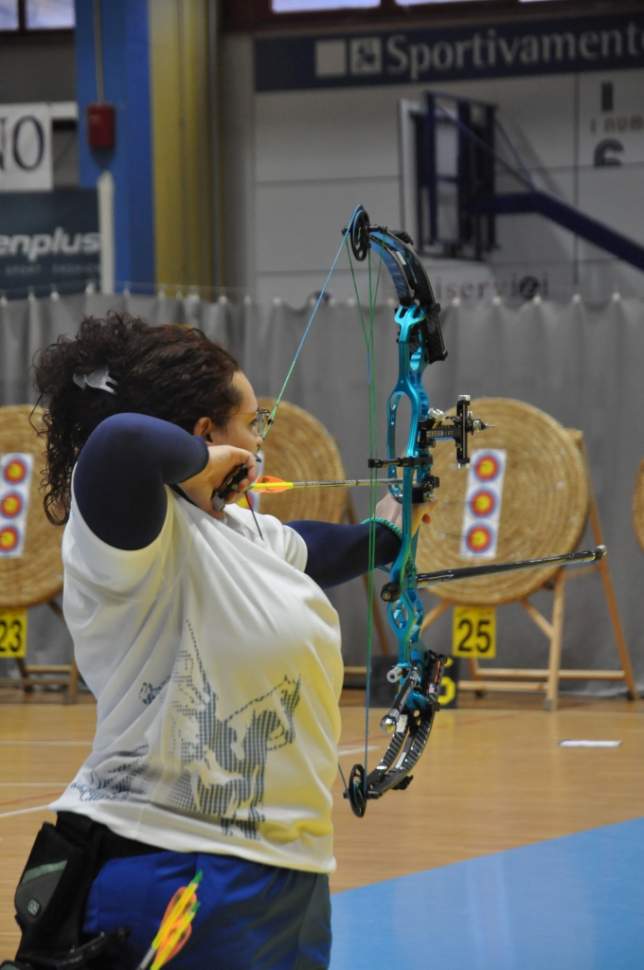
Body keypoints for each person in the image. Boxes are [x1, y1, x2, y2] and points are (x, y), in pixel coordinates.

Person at [12, 313, 429, 970]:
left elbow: (313, 550)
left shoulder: (240, 530)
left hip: (291, 869)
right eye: (252, 424)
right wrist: (205, 463)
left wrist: (391, 533)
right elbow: (120, 441)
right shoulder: (127, 533)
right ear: (208, 435)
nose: (259, 444)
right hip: (173, 867)